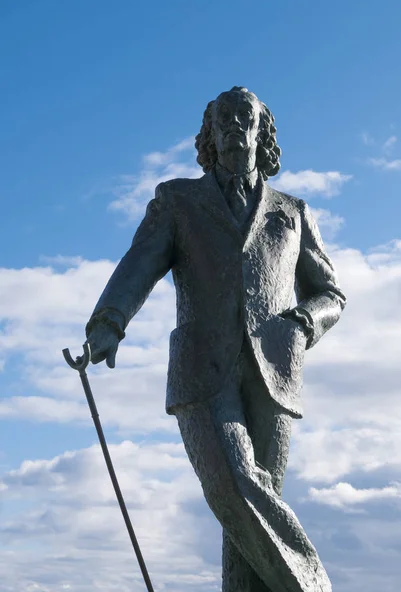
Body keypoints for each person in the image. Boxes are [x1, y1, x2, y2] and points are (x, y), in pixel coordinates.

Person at [85, 86, 346, 592]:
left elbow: (331, 293)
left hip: (275, 370)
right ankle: (311, 585)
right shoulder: (178, 200)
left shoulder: (293, 211)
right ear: (208, 135)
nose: (232, 126)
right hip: (202, 370)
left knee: (245, 526)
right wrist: (108, 323)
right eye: (221, 119)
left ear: (260, 132)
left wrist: (303, 322)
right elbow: (139, 264)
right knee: (234, 483)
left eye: (243, 118)